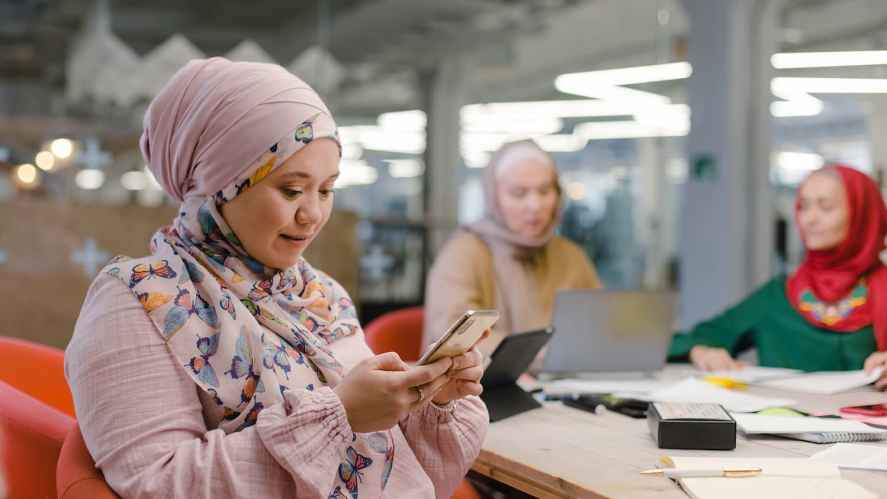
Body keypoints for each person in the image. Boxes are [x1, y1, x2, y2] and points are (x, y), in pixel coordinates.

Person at [65, 58, 488, 498]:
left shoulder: (318, 294)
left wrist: (430, 401)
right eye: (291, 189)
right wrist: (339, 416)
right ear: (219, 183)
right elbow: (159, 484)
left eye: (326, 190)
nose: (313, 215)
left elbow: (405, 478)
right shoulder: (135, 303)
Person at [669, 165, 887, 388]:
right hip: (781, 421)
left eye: (826, 207)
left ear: (863, 214)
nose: (809, 219)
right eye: (803, 206)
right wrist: (700, 352)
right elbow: (689, 339)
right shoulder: (779, 295)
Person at [423, 139, 601, 359]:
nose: (534, 205)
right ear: (494, 198)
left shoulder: (571, 256)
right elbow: (456, 339)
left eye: (545, 191)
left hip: (568, 386)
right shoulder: (463, 254)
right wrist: (541, 356)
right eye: (519, 193)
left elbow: (599, 329)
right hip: (482, 390)